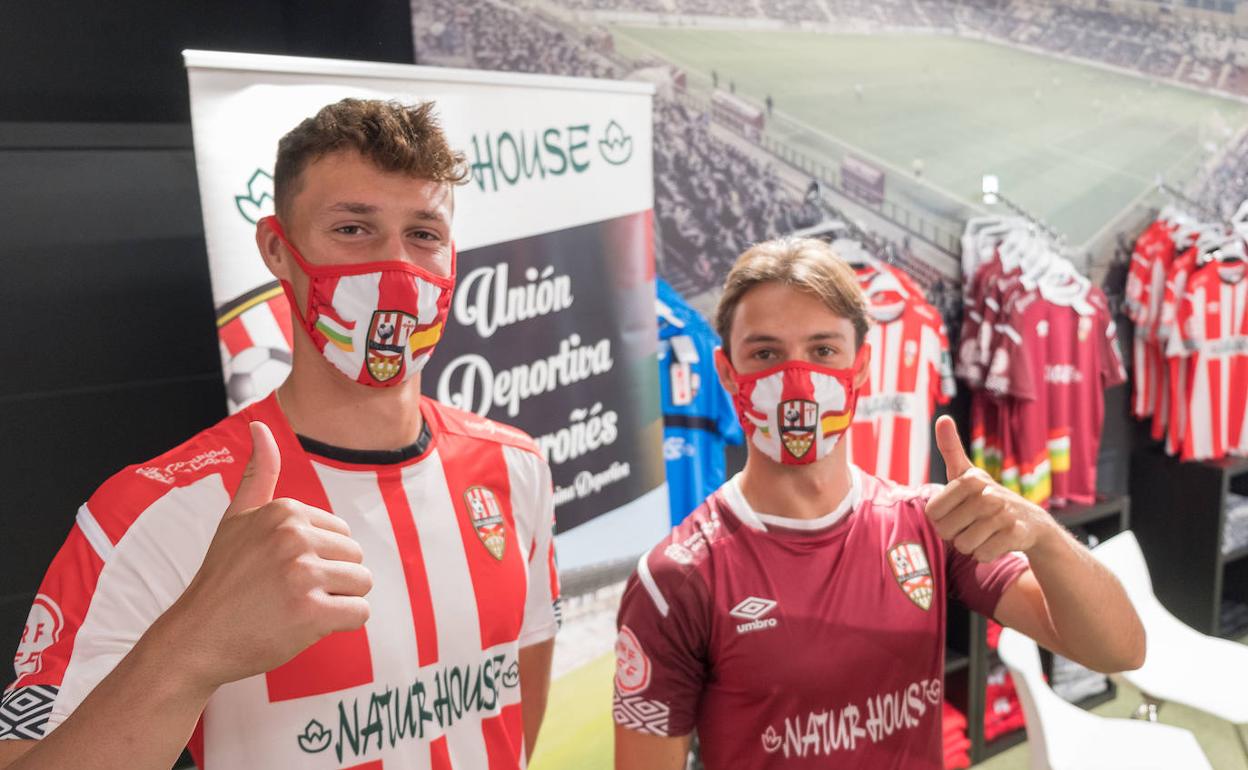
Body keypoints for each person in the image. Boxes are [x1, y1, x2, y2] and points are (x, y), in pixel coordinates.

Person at [0, 99, 560, 770]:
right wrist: (193, 643)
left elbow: (516, 709)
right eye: (353, 228)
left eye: (423, 233)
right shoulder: (146, 512)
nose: (396, 265)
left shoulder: (516, 465)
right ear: (276, 249)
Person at [612, 237, 1144, 770]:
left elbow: (1120, 650)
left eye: (823, 350)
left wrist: (1043, 536)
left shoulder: (928, 524)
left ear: (862, 367)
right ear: (728, 372)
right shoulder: (675, 579)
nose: (797, 381)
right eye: (766, 353)